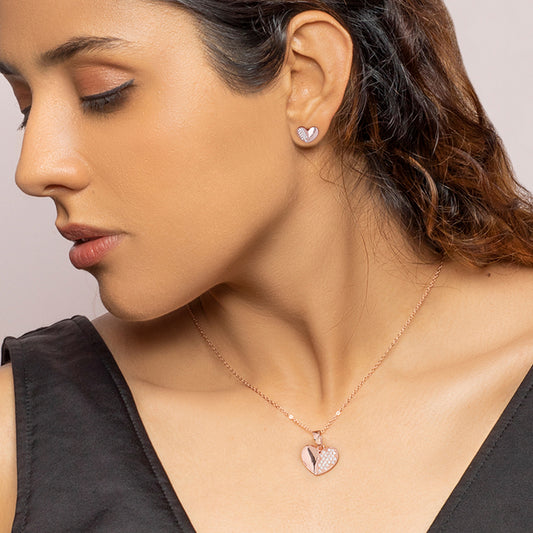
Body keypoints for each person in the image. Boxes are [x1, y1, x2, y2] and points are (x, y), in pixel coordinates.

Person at [0, 0, 531, 531]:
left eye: (101, 92)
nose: (34, 169)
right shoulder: (18, 438)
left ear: (306, 79)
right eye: (26, 105)